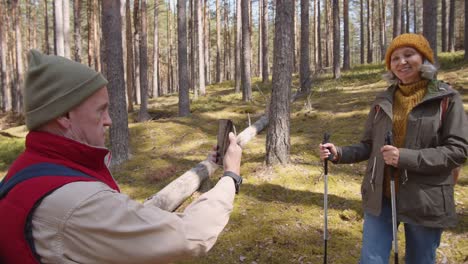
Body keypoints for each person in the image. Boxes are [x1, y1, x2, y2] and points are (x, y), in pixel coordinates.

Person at [0, 50, 243, 264]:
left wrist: (209, 164)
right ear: (64, 116)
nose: (109, 120)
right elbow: (191, 235)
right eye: (100, 110)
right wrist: (231, 177)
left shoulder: (26, 169)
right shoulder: (77, 203)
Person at [319, 33, 467, 264]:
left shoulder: (447, 98)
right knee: (371, 259)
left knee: (420, 259)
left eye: (409, 55)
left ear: (424, 59)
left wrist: (404, 157)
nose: (401, 62)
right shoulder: (383, 100)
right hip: (381, 194)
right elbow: (370, 145)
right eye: (395, 58)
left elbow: (457, 150)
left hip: (425, 198)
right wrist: (339, 153)